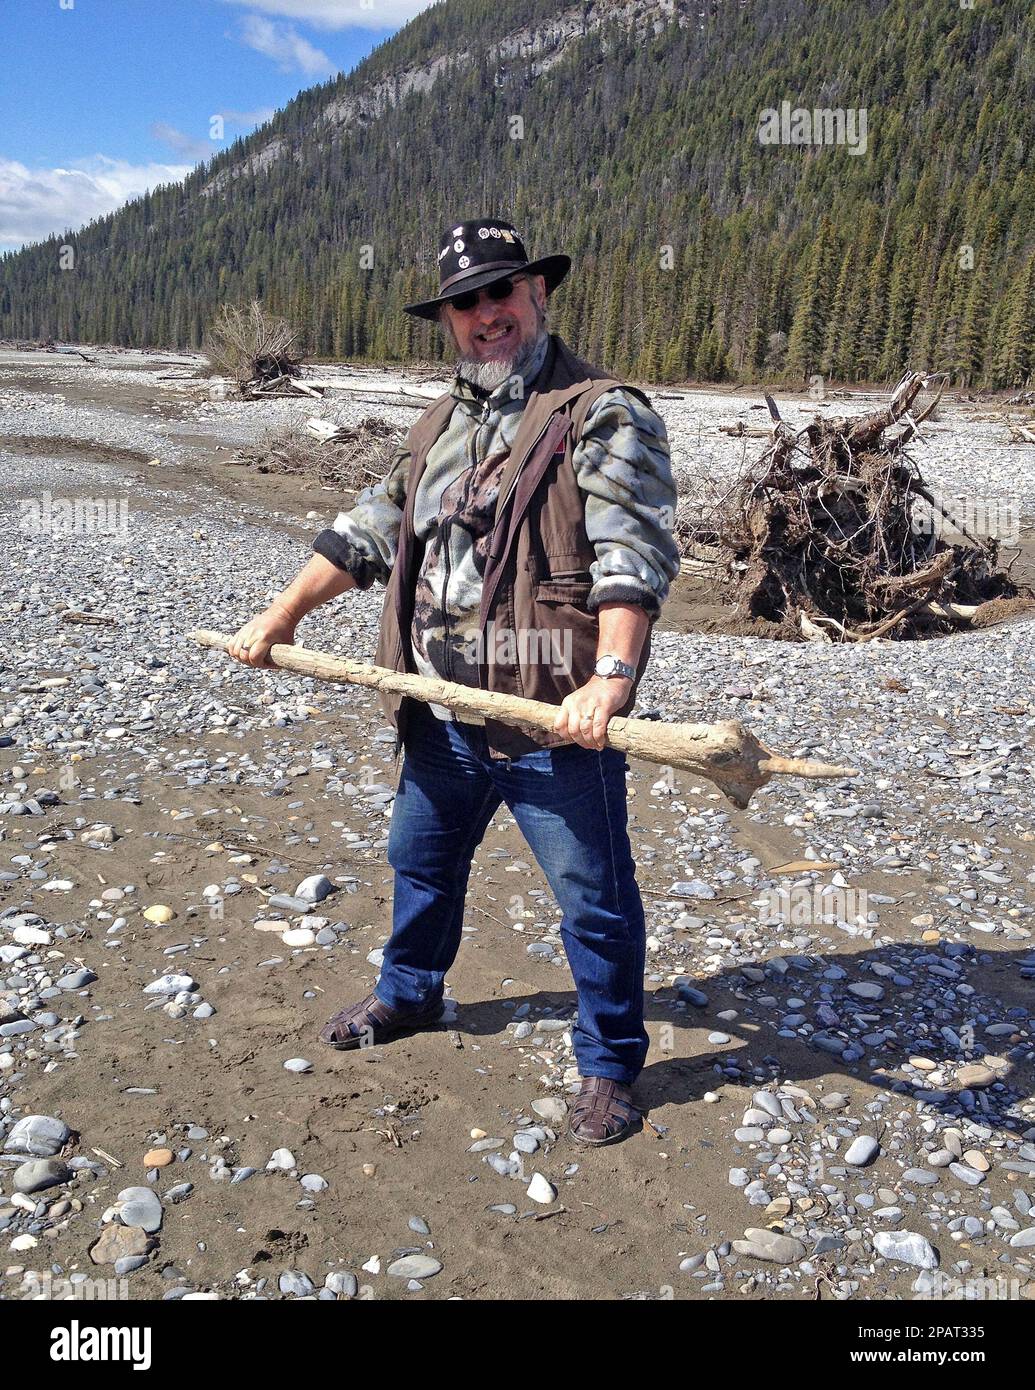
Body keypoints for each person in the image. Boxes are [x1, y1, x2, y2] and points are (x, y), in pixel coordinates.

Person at [229, 216, 680, 1146]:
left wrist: (610, 679)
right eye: (463, 302)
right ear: (446, 319)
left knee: (593, 901)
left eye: (499, 293)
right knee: (420, 866)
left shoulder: (599, 410)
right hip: (437, 711)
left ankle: (608, 1064)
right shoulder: (440, 422)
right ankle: (411, 996)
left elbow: (631, 556)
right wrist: (282, 614)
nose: (484, 314)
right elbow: (367, 530)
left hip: (550, 717)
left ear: (537, 294)